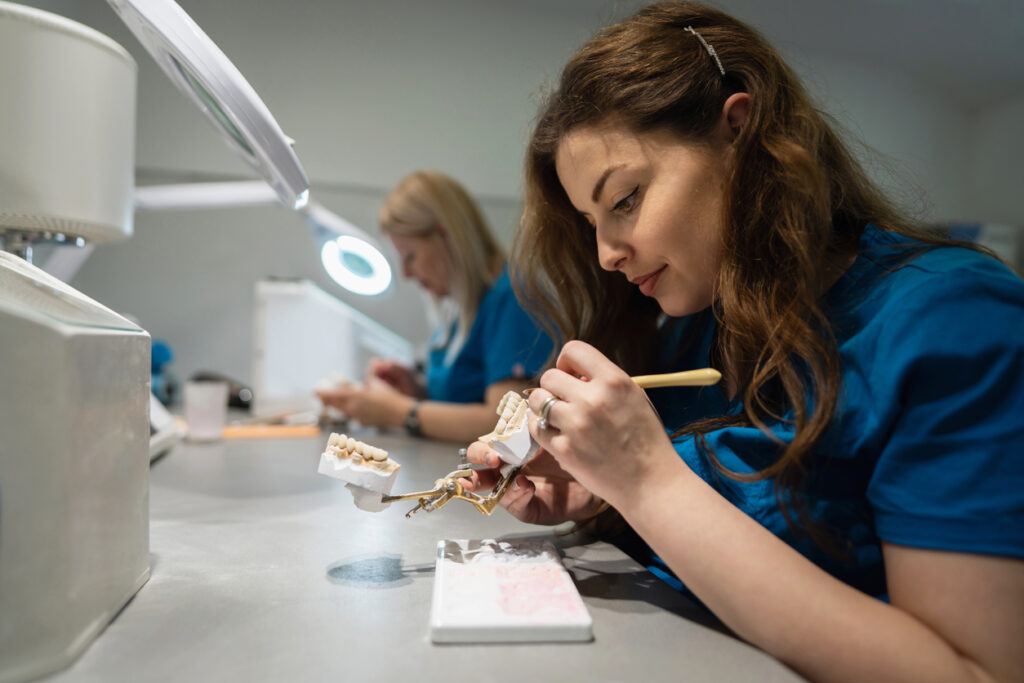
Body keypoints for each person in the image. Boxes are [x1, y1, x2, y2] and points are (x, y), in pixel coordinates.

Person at [464, 3, 1024, 681]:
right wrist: (602, 487)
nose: (607, 254)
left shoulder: (952, 315)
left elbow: (976, 671)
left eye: (625, 200)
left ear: (739, 130)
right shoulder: (701, 321)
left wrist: (646, 479)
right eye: (590, 222)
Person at [317, 170, 552, 443]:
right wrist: (415, 390)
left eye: (410, 256)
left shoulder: (513, 300)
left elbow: (507, 423)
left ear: (446, 235)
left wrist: (398, 411)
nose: (406, 274)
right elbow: (465, 396)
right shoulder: (462, 308)